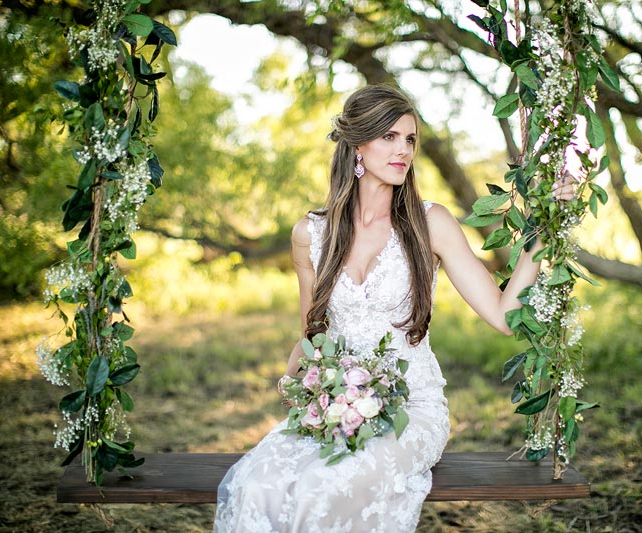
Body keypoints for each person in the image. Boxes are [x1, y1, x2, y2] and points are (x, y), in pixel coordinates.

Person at [213, 84, 576, 533]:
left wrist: (544, 233)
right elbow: (312, 335)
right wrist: (298, 390)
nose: (403, 149)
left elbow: (503, 316)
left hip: (412, 410)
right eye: (389, 137)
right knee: (258, 484)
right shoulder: (311, 234)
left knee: (329, 484)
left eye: (409, 139)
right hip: (336, 406)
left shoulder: (431, 223)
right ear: (357, 146)